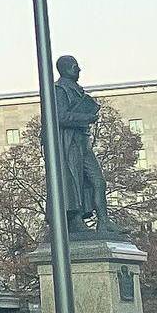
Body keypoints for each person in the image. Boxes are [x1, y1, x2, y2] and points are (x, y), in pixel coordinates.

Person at [51, 55, 108, 233]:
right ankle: (74, 220)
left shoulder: (77, 90)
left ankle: (104, 221)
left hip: (83, 141)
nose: (79, 69)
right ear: (65, 69)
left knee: (98, 181)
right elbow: (60, 117)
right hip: (70, 143)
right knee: (73, 183)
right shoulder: (59, 89)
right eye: (75, 66)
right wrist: (86, 117)